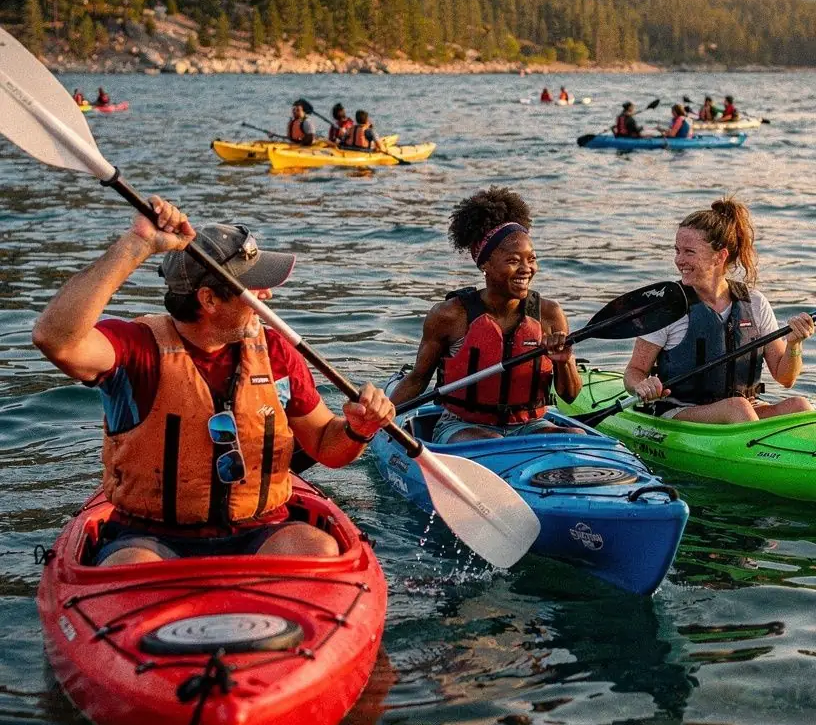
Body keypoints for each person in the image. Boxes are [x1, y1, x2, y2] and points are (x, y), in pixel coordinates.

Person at [31, 204, 395, 564]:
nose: (266, 295)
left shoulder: (276, 351)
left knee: (321, 551)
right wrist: (136, 245)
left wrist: (356, 429)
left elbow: (325, 446)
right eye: (252, 288)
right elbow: (55, 339)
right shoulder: (135, 348)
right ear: (208, 299)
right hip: (149, 537)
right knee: (129, 567)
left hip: (260, 530)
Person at [390, 188, 582, 443]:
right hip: (461, 426)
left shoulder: (549, 314)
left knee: (575, 436)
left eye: (532, 259)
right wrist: (379, 419)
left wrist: (564, 361)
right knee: (491, 441)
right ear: (485, 265)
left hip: (530, 425)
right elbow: (418, 379)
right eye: (513, 260)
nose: (526, 269)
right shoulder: (450, 315)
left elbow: (569, 396)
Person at [624, 198, 814, 425]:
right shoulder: (667, 307)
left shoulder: (754, 302)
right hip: (681, 411)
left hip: (744, 412)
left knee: (799, 406)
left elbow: (785, 379)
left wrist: (794, 344)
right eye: (677, 251)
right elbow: (634, 371)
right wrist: (641, 385)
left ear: (720, 256)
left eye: (689, 252)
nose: (679, 260)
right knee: (737, 408)